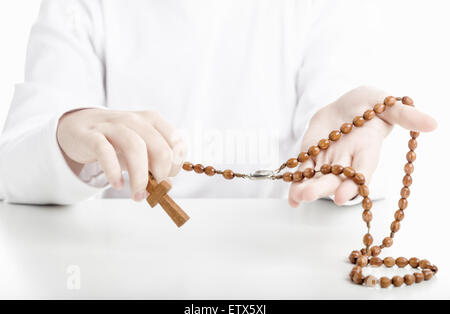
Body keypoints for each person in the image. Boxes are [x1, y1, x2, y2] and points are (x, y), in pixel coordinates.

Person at [0, 0, 437, 208]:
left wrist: (355, 132)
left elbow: (341, 116)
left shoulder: (318, 9)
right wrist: (67, 132)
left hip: (284, 271)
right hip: (123, 274)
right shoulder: (78, 8)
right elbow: (14, 168)